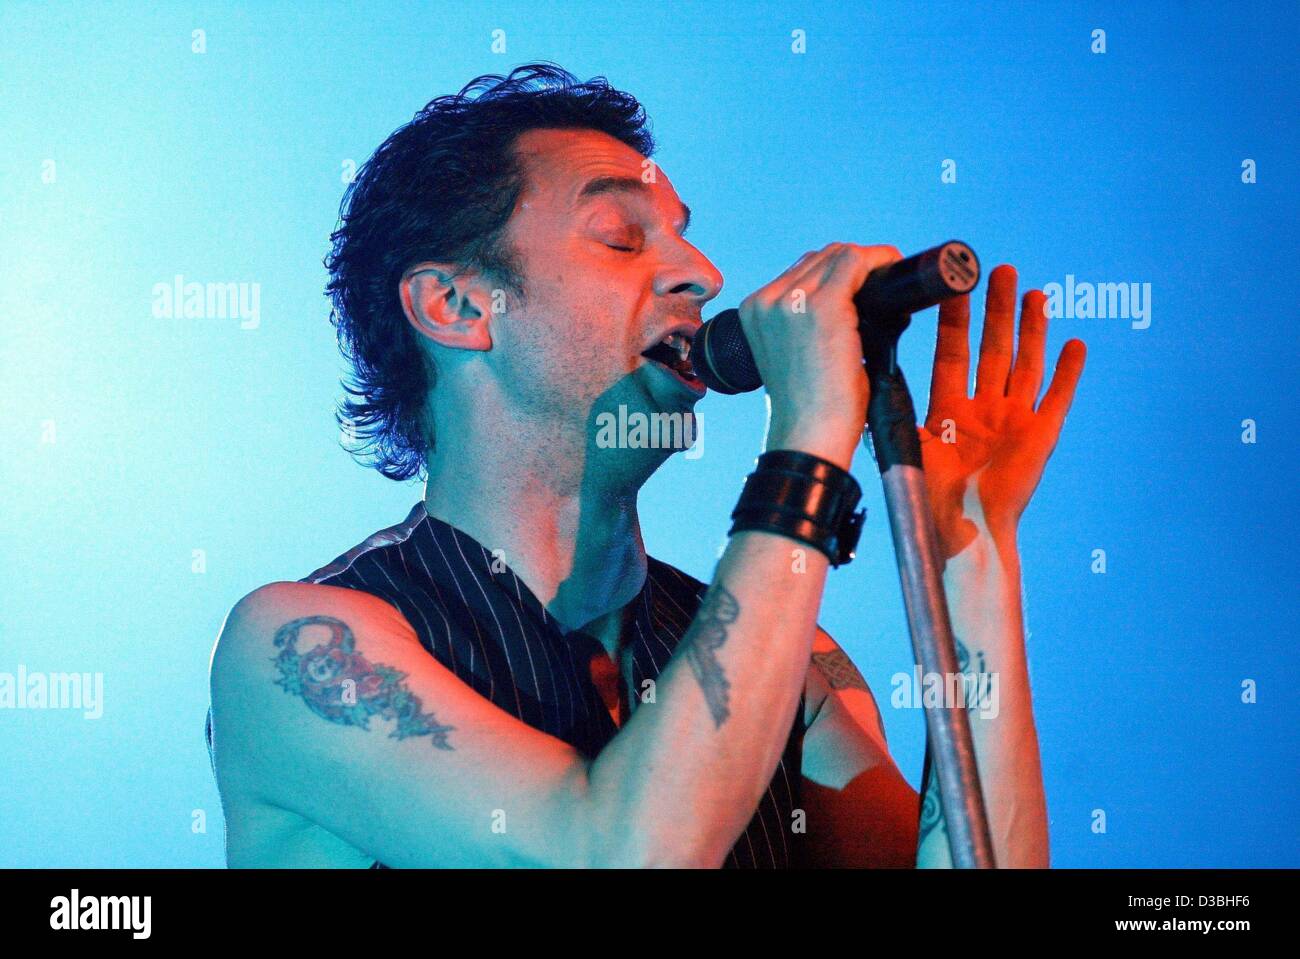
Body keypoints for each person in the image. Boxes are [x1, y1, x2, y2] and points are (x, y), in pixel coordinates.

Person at [206, 63, 1085, 868]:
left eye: (687, 240)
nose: (702, 274)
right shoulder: (302, 648)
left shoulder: (797, 669)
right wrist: (809, 437)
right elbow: (619, 854)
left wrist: (974, 556)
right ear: (458, 303)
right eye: (622, 237)